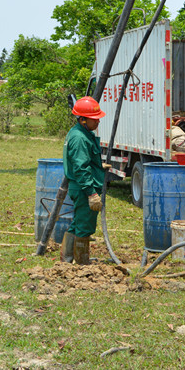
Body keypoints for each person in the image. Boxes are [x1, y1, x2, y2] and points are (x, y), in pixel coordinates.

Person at [60, 96, 106, 265]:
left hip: (81, 187)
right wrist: (91, 193)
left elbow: (84, 161)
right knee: (85, 226)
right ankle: (81, 264)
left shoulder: (81, 133)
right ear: (83, 119)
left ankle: (66, 261)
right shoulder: (79, 138)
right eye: (94, 119)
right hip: (83, 188)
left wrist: (98, 166)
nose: (98, 121)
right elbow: (80, 168)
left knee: (78, 223)